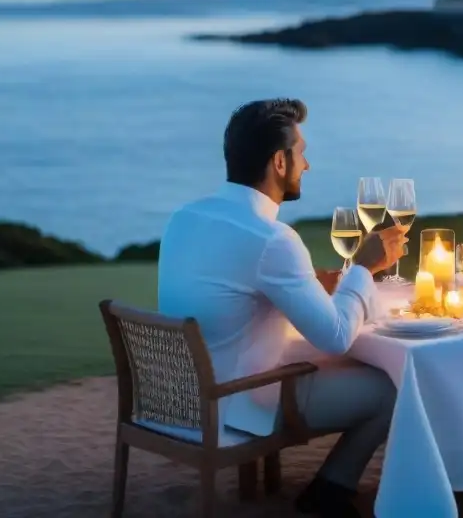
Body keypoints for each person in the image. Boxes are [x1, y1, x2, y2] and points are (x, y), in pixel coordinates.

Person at [158, 98, 408, 517]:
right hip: (235, 406)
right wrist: (363, 267)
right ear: (279, 161)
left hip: (178, 401)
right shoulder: (272, 238)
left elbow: (233, 290)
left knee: (337, 367)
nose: (306, 165)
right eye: (301, 153)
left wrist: (317, 284)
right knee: (393, 387)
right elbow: (335, 337)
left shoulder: (185, 217)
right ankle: (330, 490)